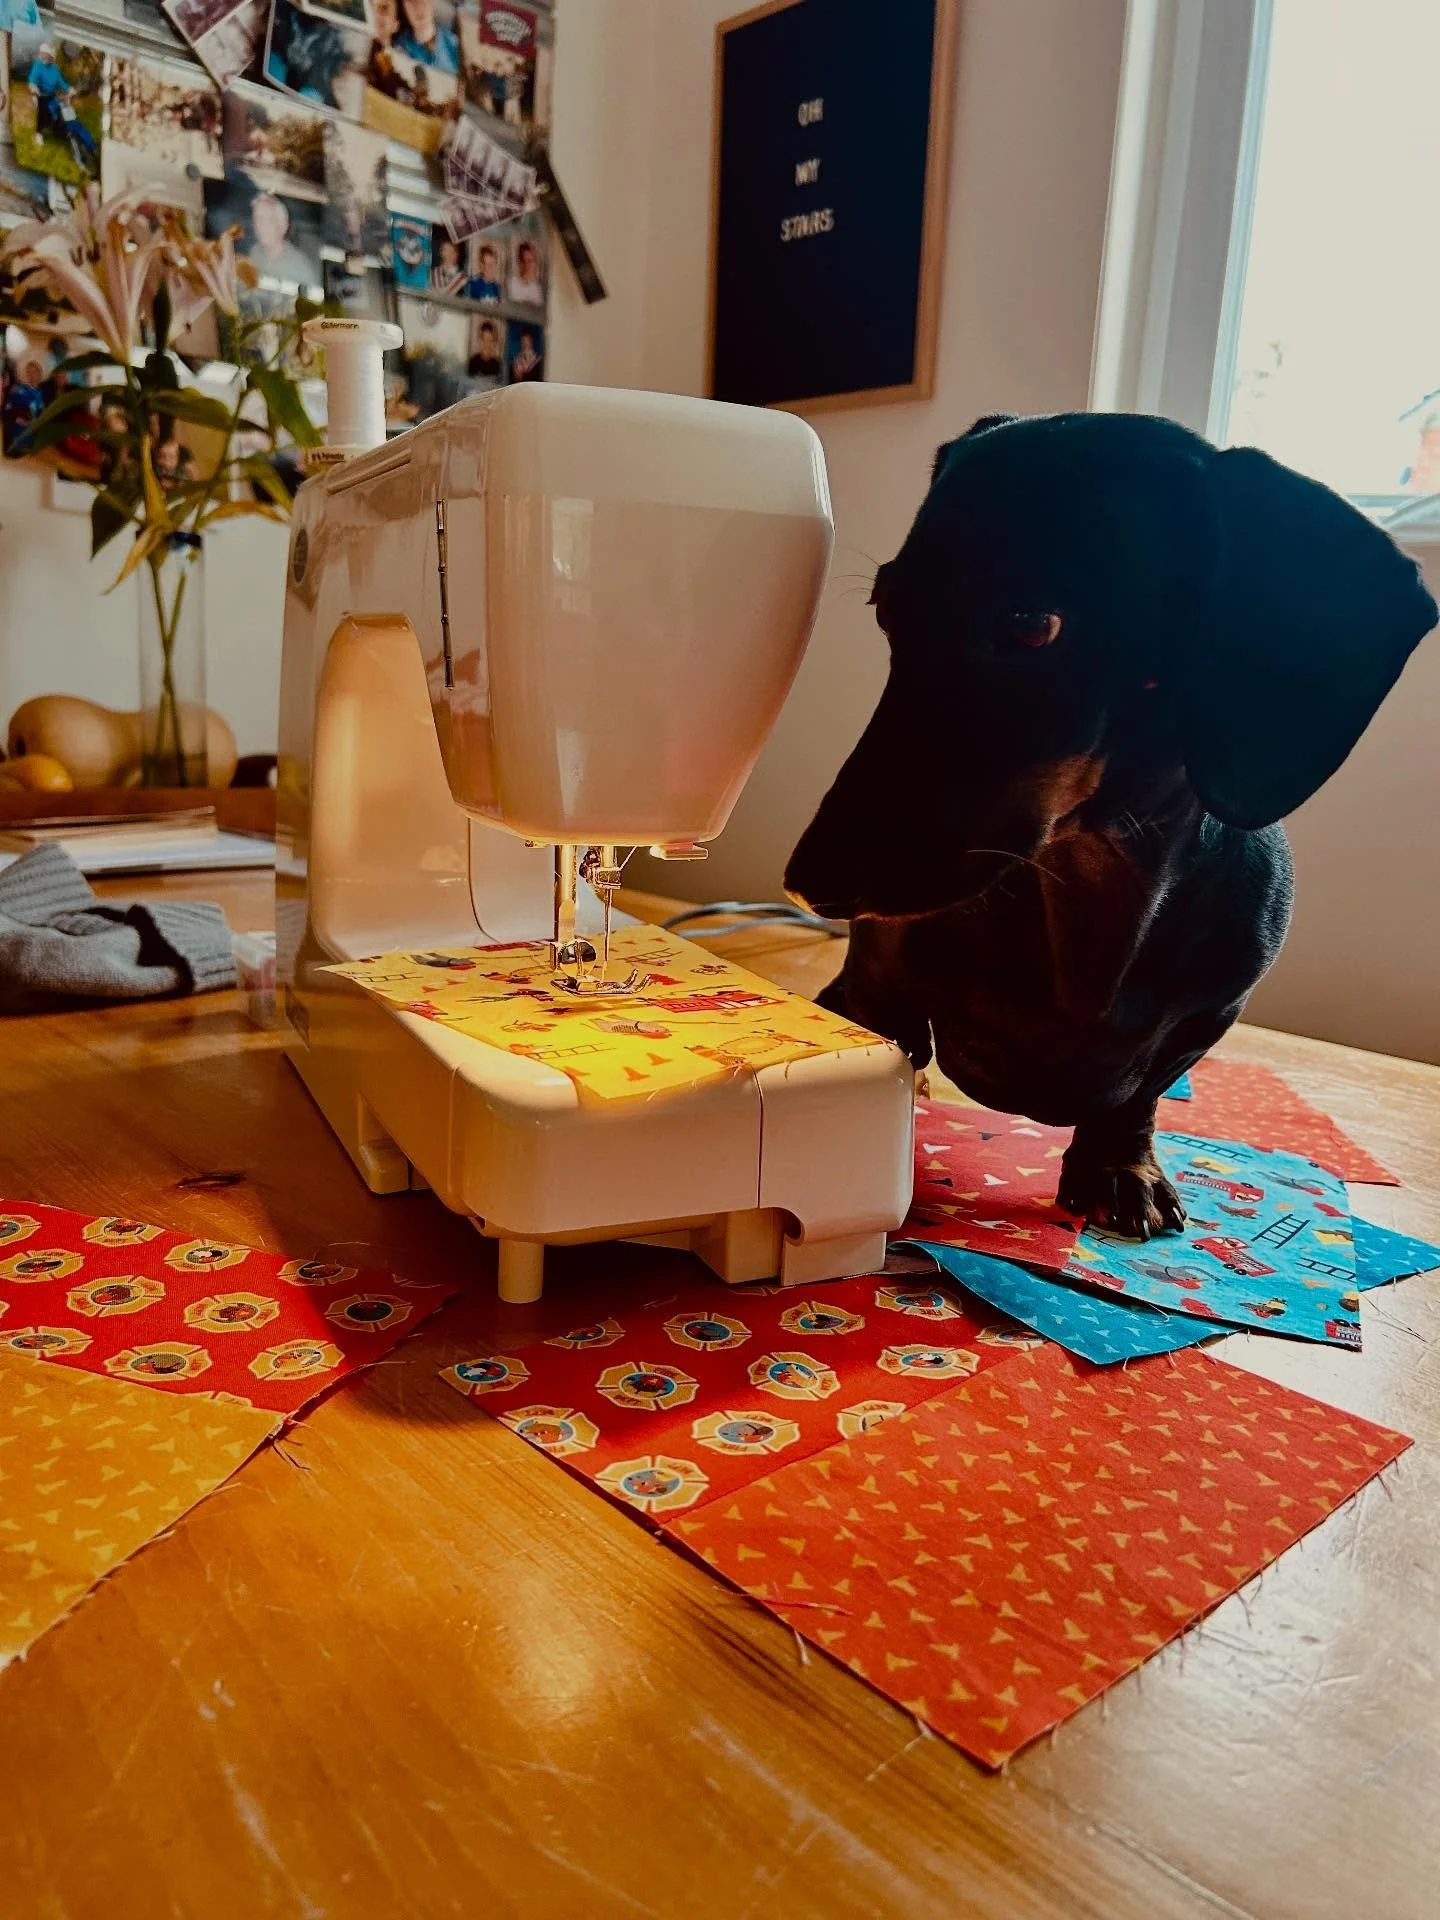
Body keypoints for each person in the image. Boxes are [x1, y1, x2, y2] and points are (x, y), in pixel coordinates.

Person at [246, 192, 316, 286]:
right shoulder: (255, 252)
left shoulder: (300, 268)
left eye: (269, 220)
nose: (261, 226)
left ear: (282, 226)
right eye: (257, 219)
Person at [396, 0, 459, 74]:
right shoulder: (399, 48)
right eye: (411, 1)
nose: (418, 7)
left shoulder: (454, 44)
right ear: (404, 7)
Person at [507, 236, 543, 306]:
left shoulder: (536, 288)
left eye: (531, 260)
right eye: (524, 261)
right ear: (520, 262)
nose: (528, 265)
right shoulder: (512, 283)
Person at [431, 232, 466, 297]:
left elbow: (445, 295)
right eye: (446, 250)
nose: (449, 255)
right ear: (441, 252)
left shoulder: (462, 278)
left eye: (452, 251)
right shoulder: (433, 273)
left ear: (456, 254)